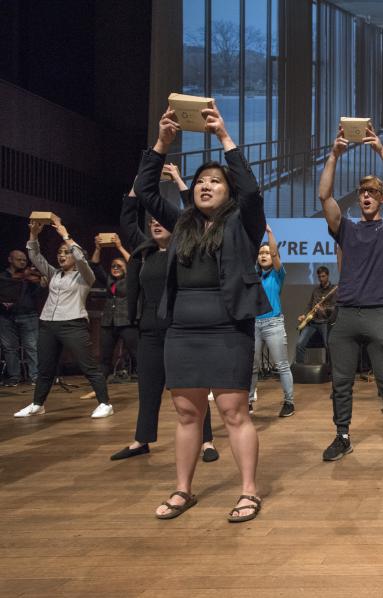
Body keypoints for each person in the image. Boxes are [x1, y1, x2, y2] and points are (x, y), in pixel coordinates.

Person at [137, 102, 266, 522]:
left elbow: (251, 189)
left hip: (228, 328)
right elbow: (147, 190)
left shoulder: (243, 222)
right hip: (182, 330)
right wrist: (162, 142)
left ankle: (248, 491)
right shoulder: (182, 223)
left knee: (233, 412)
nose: (206, 186)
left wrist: (224, 137)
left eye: (215, 181)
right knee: (187, 412)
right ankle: (182, 490)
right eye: (201, 181)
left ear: (227, 191)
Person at [317, 123, 383, 462]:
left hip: (377, 314)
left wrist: (381, 150)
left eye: (372, 192)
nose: (366, 196)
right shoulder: (346, 229)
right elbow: (325, 197)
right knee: (341, 383)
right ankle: (342, 435)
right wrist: (333, 156)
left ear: (380, 199)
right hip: (345, 315)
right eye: (362, 193)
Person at [112, 172, 219, 462]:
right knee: (148, 388)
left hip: (179, 330)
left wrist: (181, 181)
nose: (155, 224)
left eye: (161, 221)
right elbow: (128, 220)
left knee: (193, 388)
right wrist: (138, 184)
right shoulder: (144, 251)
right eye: (152, 223)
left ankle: (206, 441)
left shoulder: (184, 249)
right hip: (149, 332)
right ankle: (141, 440)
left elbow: (193, 214)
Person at [14, 216, 113, 418]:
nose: (61, 256)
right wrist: (34, 234)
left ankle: (105, 403)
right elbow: (35, 256)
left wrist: (64, 234)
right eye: (59, 253)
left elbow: (80, 257)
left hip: (73, 324)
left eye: (66, 253)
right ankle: (37, 404)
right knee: (45, 367)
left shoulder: (85, 276)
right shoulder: (54, 274)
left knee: (88, 366)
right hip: (48, 324)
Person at [249, 224, 296, 417]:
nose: (263, 255)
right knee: (251, 367)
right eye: (261, 253)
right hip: (253, 324)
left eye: (266, 253)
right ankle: (249, 401)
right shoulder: (254, 274)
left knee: (282, 365)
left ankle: (289, 402)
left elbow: (275, 254)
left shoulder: (278, 274)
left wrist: (269, 233)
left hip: (273, 323)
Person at [90, 235, 138, 381]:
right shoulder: (109, 281)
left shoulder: (132, 280)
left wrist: (119, 246)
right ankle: (100, 387)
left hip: (126, 322)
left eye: (119, 266)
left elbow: (135, 263)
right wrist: (98, 248)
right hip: (108, 323)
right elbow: (95, 266)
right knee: (104, 356)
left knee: (137, 354)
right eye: (113, 266)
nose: (115, 268)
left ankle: (147, 384)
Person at [1, 249, 42, 386]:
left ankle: (35, 376)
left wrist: (31, 279)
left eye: (24, 260)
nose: (23, 262)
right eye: (19, 259)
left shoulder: (30, 278)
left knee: (32, 346)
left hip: (28, 315)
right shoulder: (3, 276)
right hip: (6, 316)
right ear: (10, 259)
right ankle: (14, 377)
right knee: (9, 347)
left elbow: (40, 288)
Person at [296, 266, 336, 362]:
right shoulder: (316, 290)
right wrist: (304, 315)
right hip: (312, 322)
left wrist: (323, 309)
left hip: (325, 323)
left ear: (328, 276)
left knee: (328, 345)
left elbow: (334, 308)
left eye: (323, 276)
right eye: (319, 277)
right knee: (299, 344)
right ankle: (300, 368)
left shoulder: (334, 290)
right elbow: (310, 305)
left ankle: (331, 370)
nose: (321, 279)